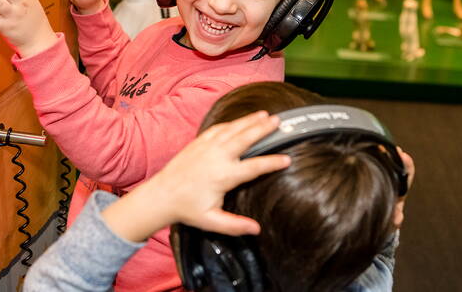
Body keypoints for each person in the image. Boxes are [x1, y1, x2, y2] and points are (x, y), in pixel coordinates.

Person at [0, 0, 341, 290]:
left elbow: (115, 152)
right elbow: (122, 88)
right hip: (108, 260)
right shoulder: (168, 33)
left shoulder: (235, 96)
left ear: (292, 7)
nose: (221, 2)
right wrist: (92, 13)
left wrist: (36, 44)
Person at [23, 82, 415, 291]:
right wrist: (382, 211)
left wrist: (161, 195)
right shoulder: (363, 283)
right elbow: (378, 262)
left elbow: (54, 284)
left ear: (213, 258)